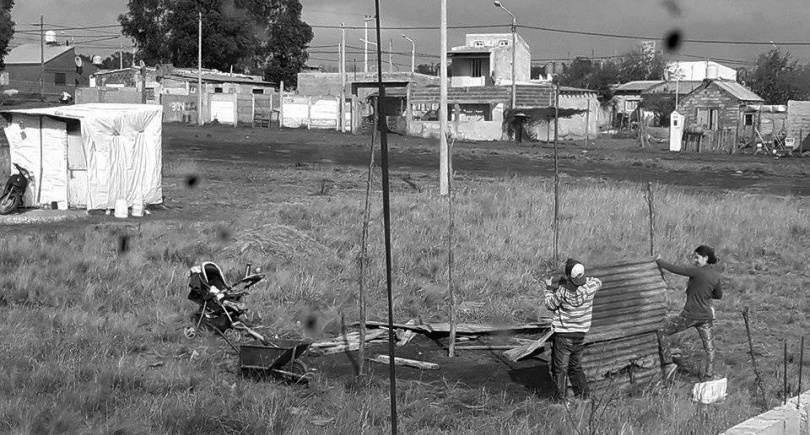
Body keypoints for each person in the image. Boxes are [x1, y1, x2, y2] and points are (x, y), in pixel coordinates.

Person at [656, 245, 724, 382]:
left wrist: (659, 261)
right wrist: (704, 293)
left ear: (705, 258)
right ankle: (708, 376)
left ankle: (668, 364)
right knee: (710, 348)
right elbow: (718, 295)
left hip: (690, 315)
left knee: (662, 331)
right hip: (706, 317)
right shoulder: (716, 275)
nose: (695, 260)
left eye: (697, 257)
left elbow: (675, 269)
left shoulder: (696, 272)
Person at [544, 258, 603, 403]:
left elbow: (550, 304)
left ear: (569, 276)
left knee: (560, 369)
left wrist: (548, 289)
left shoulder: (563, 291)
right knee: (576, 367)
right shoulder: (591, 287)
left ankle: (562, 401)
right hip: (580, 335)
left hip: (564, 335)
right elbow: (597, 281)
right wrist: (582, 279)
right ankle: (584, 397)